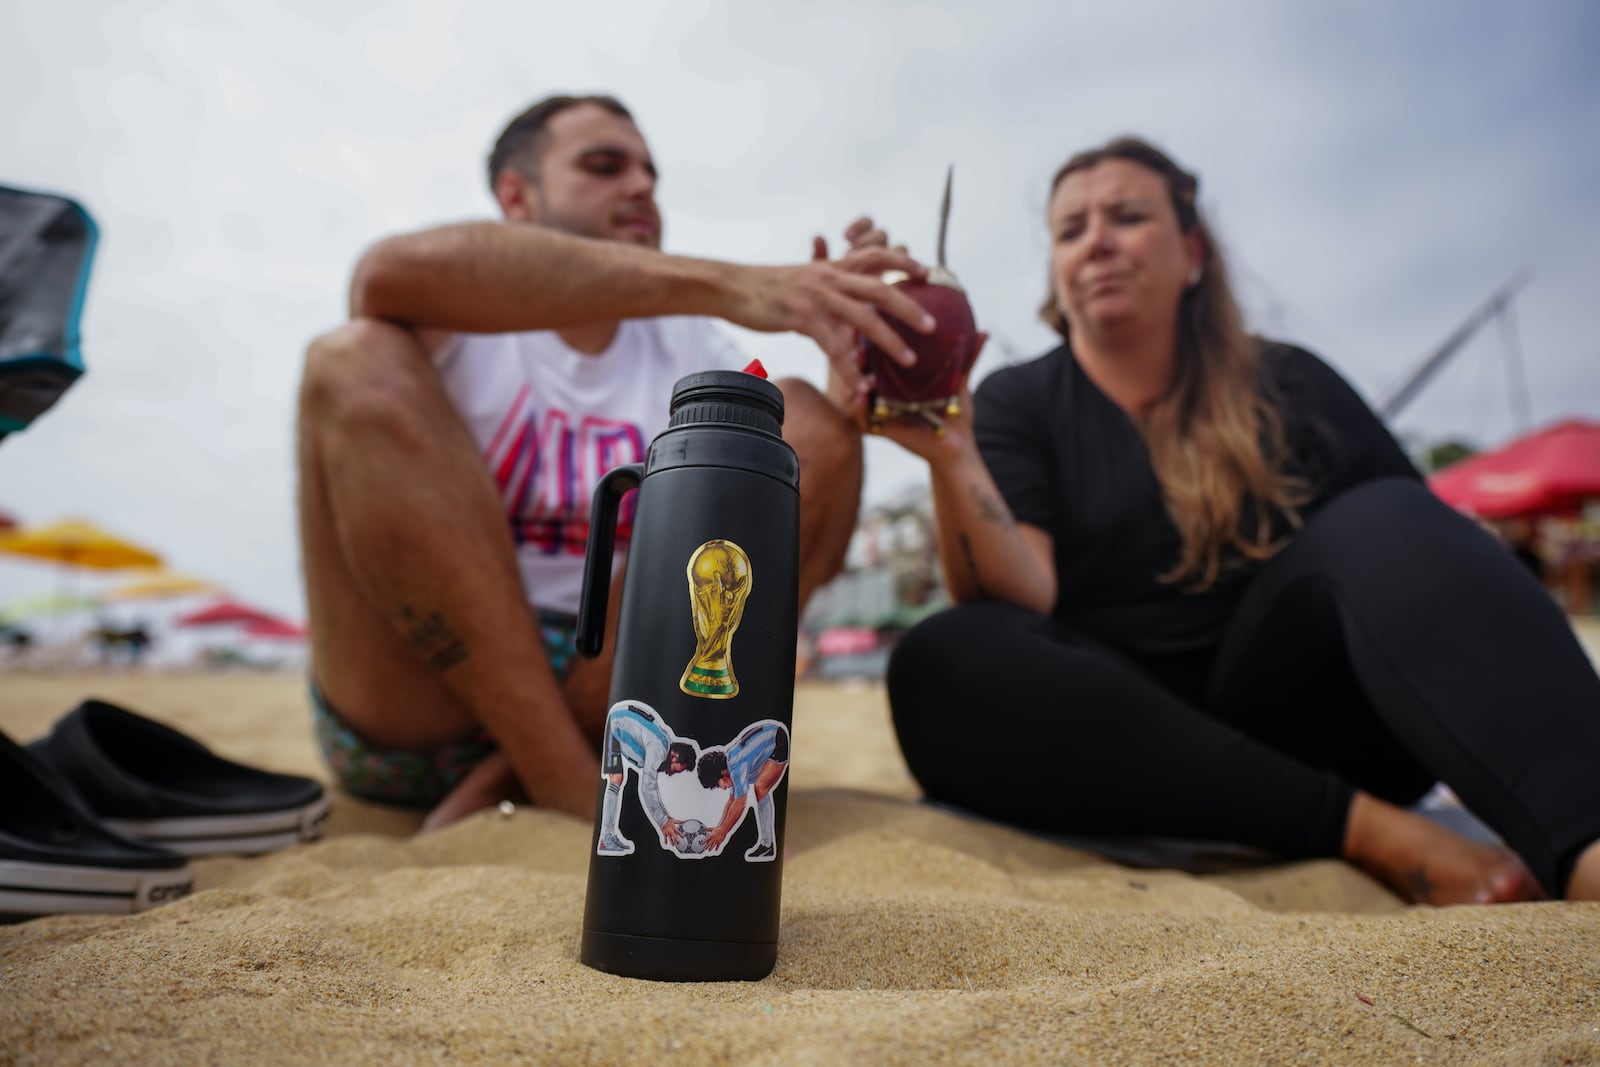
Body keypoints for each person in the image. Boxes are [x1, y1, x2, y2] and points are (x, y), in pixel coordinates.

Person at [866, 136, 1600, 904]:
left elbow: (1421, 562)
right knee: (943, 653)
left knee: (1386, 517)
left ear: (1192, 251)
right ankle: (1363, 831)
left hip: (1315, 720)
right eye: (1071, 229)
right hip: (1117, 740)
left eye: (1126, 215)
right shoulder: (1019, 401)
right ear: (1054, 268)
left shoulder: (1290, 383)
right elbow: (1021, 598)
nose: (1098, 243)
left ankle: (1584, 840)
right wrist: (953, 459)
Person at [297, 94, 934, 831]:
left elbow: (780, 501)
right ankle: (560, 775)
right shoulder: (457, 315)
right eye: (604, 166)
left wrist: (845, 364)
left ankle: (527, 772)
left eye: (651, 174)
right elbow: (382, 275)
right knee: (352, 357)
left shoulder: (686, 343)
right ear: (516, 196)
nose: (640, 187)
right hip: (417, 702)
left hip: (625, 707)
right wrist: (738, 284)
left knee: (800, 427)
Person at [595, 700, 698, 856]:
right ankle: (605, 837)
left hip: (622, 720)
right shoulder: (659, 749)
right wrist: (662, 822)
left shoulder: (663, 745)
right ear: (675, 756)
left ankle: (608, 835)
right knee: (616, 779)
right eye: (677, 770)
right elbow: (648, 786)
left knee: (618, 778)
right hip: (617, 723)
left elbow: (653, 787)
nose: (672, 773)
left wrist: (666, 817)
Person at [696, 720, 790, 860]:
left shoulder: (735, 766)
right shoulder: (729, 764)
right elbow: (731, 801)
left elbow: (740, 804)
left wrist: (723, 832)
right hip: (768, 738)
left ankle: (767, 844)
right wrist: (719, 827)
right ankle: (766, 844)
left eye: (718, 784)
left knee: (760, 787)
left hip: (777, 740)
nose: (721, 788)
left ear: (722, 772)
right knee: (755, 787)